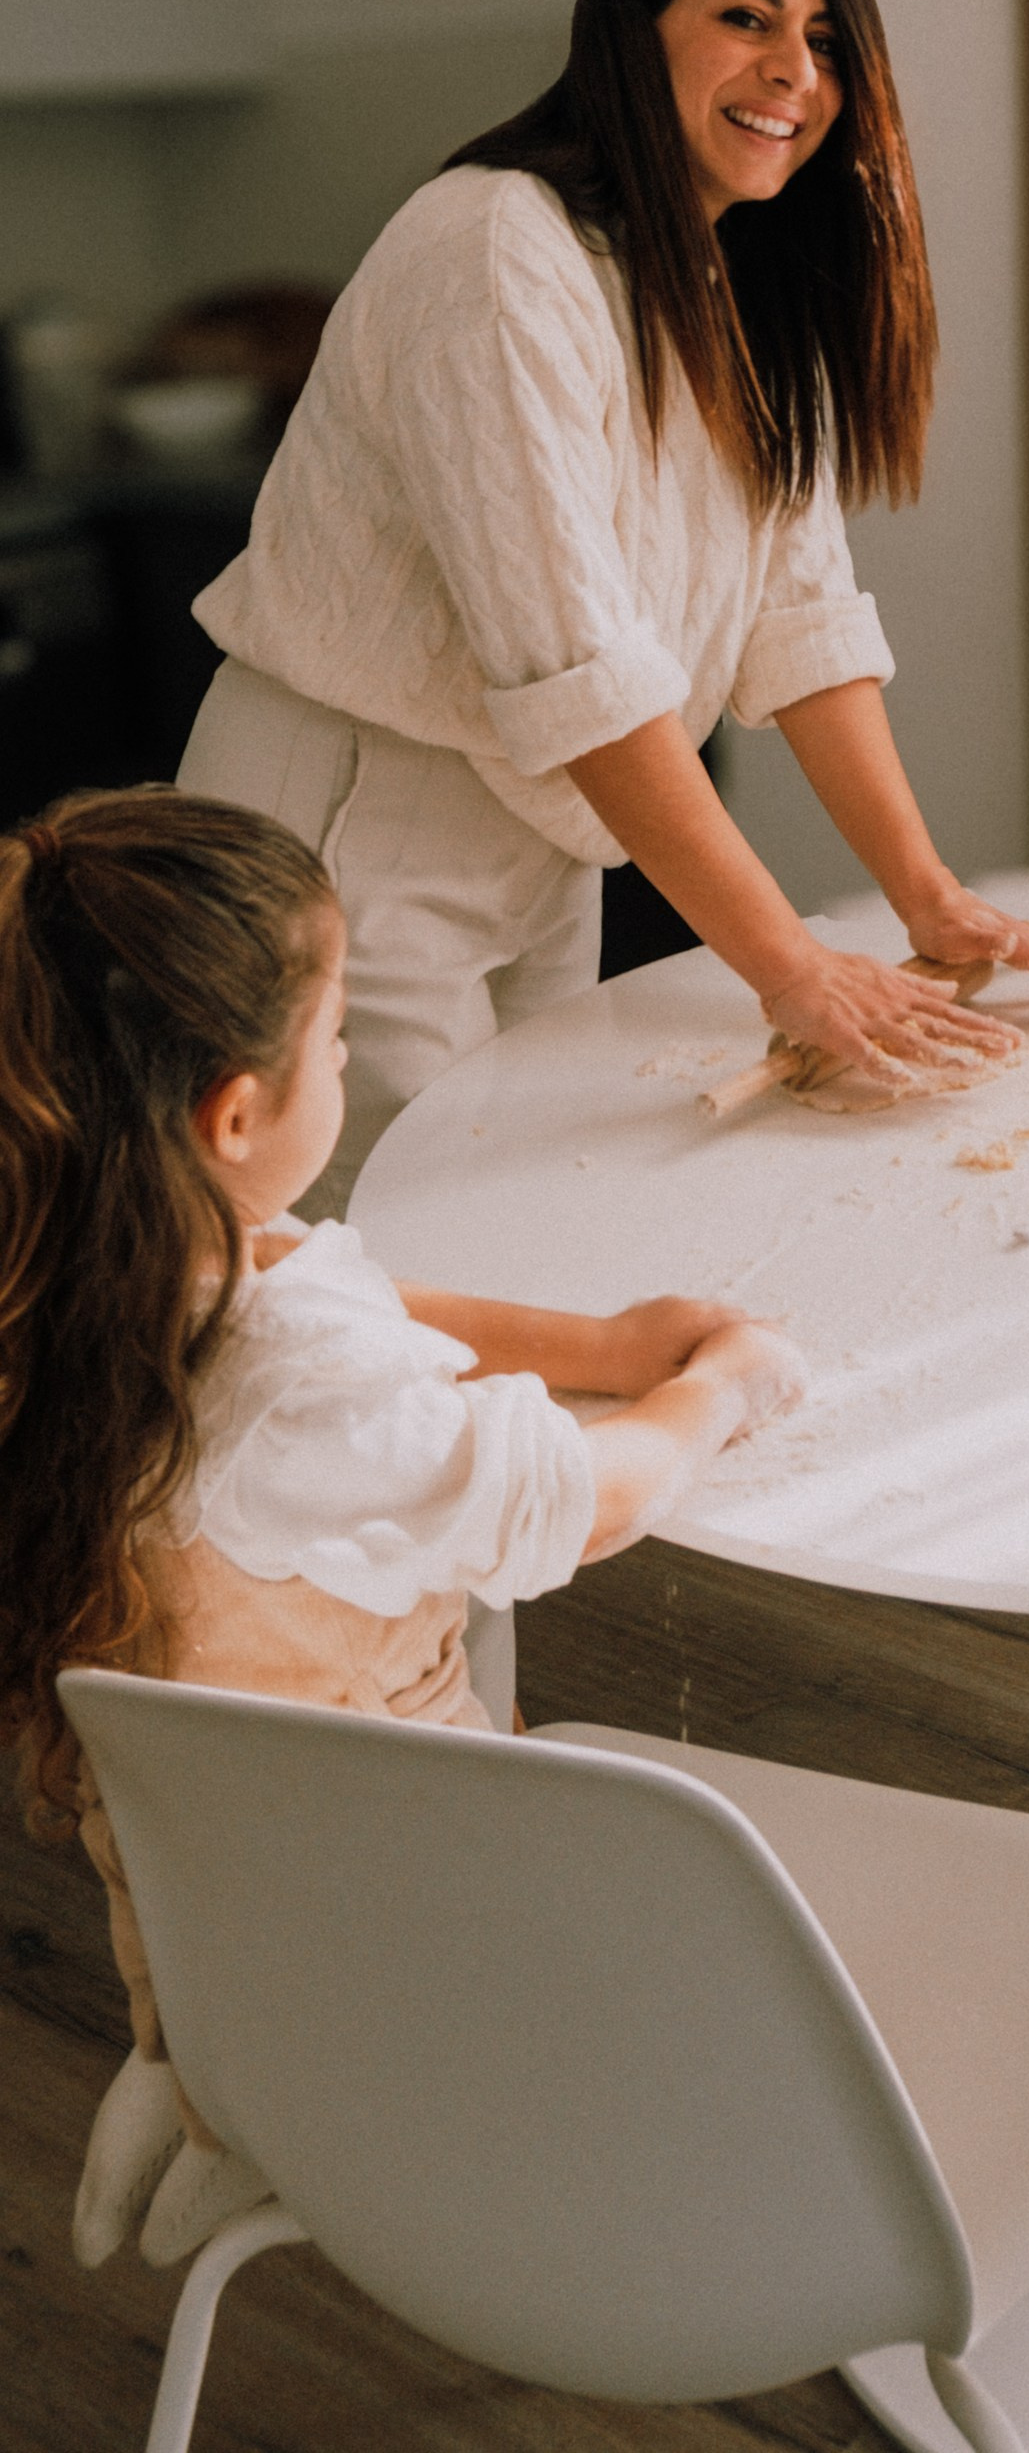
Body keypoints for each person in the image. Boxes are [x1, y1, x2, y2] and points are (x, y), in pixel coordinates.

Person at [179, 0, 1029, 1204]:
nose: (792, 70)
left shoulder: (732, 290)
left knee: (539, 1214)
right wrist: (792, 967)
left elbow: (801, 625)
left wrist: (926, 896)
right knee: (391, 1257)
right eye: (747, 19)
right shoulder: (495, 249)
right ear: (635, 27)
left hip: (556, 841)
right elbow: (579, 670)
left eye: (823, 42)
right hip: (353, 826)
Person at [0, 788, 802, 2269]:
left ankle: (188, 2088)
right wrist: (712, 1392)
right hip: (401, 1884)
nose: (349, 1059)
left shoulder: (88, 1258)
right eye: (340, 1038)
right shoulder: (313, 1404)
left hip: (190, 1851)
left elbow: (356, 1289)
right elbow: (584, 1499)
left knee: (210, 1941)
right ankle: (279, 2135)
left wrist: (607, 1341)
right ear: (236, 1112)